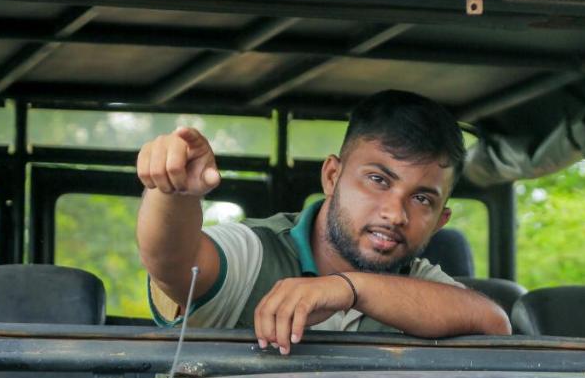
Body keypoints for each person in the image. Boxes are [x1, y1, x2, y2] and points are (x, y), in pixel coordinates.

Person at [136, 89, 511, 353]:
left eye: (422, 199)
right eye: (378, 180)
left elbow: (492, 323)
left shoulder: (416, 280)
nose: (395, 214)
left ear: (440, 220)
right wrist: (173, 192)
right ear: (332, 176)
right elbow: (172, 264)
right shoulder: (255, 251)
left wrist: (349, 288)